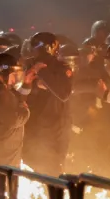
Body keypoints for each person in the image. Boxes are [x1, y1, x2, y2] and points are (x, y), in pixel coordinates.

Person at [22, 32, 73, 175]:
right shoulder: (28, 66)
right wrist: (32, 83)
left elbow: (64, 93)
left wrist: (43, 73)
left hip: (53, 133)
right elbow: (19, 92)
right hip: (32, 131)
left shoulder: (60, 68)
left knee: (52, 174)